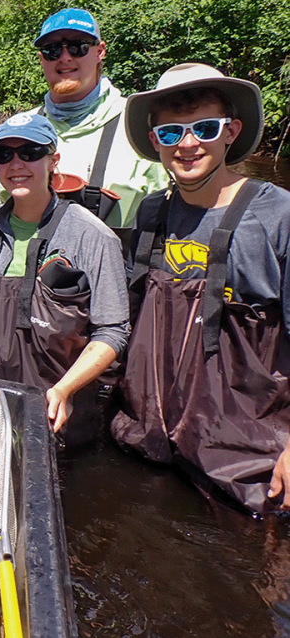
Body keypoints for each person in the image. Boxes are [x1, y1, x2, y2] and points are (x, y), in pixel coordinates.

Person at [109, 63, 290, 513]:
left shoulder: (278, 216)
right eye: (171, 133)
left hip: (245, 466)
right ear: (155, 142)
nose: (187, 144)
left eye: (204, 128)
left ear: (231, 131)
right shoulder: (152, 213)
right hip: (146, 448)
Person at [0, 112, 130, 444]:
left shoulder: (94, 236)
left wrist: (64, 389)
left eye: (30, 152)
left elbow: (113, 333)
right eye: (4, 154)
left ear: (54, 160)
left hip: (61, 412)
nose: (16, 163)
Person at [2, 8, 170, 235]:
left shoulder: (140, 125)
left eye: (78, 46)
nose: (64, 57)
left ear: (100, 51)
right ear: (42, 58)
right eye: (51, 50)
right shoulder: (18, 130)